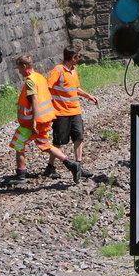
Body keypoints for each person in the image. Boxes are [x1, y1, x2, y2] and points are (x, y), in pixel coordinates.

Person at [9, 54, 83, 182]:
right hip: (45, 119)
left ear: (24, 66)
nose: (19, 72)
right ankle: (71, 164)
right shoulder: (40, 77)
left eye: (19, 68)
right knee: (45, 144)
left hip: (32, 122)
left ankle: (21, 175)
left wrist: (34, 122)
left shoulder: (30, 81)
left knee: (18, 143)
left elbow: (34, 100)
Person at [42, 46, 98, 178]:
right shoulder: (58, 70)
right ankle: (50, 167)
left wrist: (88, 96)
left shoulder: (74, 71)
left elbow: (75, 88)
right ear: (73, 57)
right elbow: (47, 87)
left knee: (79, 137)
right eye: (78, 56)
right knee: (58, 141)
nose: (79, 58)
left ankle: (78, 166)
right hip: (61, 112)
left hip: (75, 110)